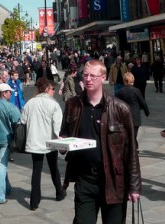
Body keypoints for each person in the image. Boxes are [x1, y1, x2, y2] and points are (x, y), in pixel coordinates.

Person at [60, 59, 141, 223]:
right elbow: (65, 135)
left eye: (93, 76)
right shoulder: (73, 105)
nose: (88, 79)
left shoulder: (120, 108)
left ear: (103, 78)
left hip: (113, 181)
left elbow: (131, 150)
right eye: (85, 75)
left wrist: (134, 186)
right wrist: (62, 142)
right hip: (85, 180)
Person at [21, 78, 65, 211]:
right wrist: (61, 140)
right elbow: (57, 127)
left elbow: (23, 120)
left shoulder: (30, 102)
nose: (54, 91)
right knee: (53, 168)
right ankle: (59, 192)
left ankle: (34, 201)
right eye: (52, 89)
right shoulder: (54, 104)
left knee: (36, 170)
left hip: (34, 141)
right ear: (46, 89)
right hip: (50, 142)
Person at [116, 72, 149, 151]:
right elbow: (142, 102)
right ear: (133, 80)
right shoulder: (136, 91)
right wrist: (146, 111)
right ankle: (134, 151)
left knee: (127, 135)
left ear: (124, 80)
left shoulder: (120, 91)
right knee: (133, 136)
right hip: (135, 116)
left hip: (124, 116)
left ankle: (130, 150)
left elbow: (116, 104)